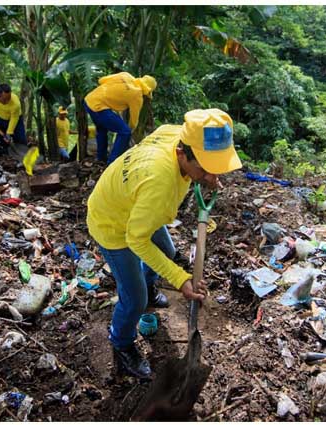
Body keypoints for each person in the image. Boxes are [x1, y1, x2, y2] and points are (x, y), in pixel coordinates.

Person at [86, 109, 243, 378]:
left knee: (167, 251)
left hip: (137, 204)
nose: (212, 177)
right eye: (206, 168)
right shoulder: (160, 183)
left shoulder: (176, 133)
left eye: (216, 168)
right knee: (134, 299)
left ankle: (147, 283)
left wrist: (206, 175)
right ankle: (122, 344)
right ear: (182, 154)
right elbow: (136, 239)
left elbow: (173, 173)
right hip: (113, 223)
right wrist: (181, 279)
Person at [83, 72, 157, 164]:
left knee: (102, 130)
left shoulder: (125, 75)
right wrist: (130, 131)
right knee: (125, 132)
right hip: (99, 107)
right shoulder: (137, 95)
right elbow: (133, 120)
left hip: (89, 100)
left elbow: (101, 80)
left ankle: (101, 158)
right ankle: (112, 162)